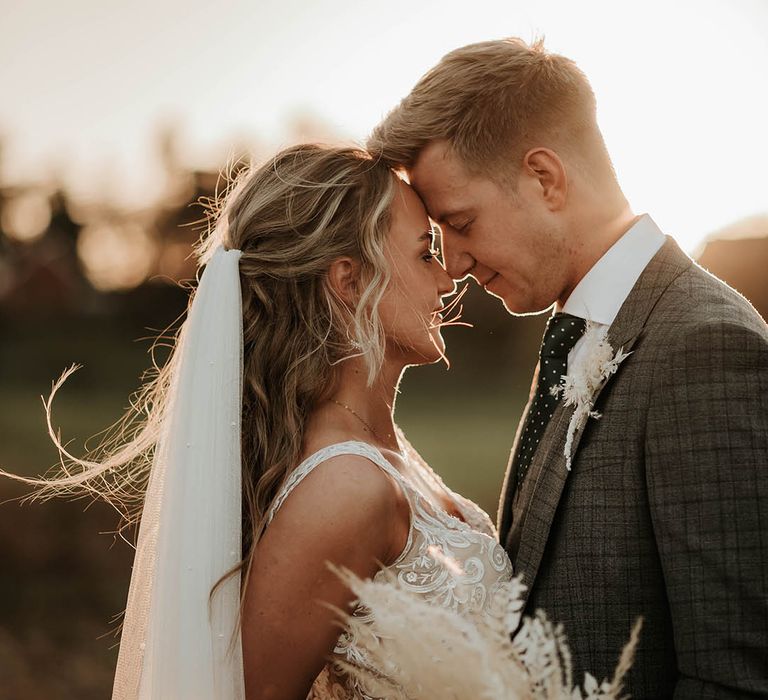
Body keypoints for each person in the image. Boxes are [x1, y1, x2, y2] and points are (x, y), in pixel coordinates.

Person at [7, 144, 514, 699]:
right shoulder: (345, 488)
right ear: (348, 281)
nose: (448, 279)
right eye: (424, 254)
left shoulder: (381, 448)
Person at [367, 37, 768, 698]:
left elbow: (736, 676)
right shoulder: (583, 332)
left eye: (462, 222)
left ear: (545, 178)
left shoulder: (704, 348)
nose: (457, 263)